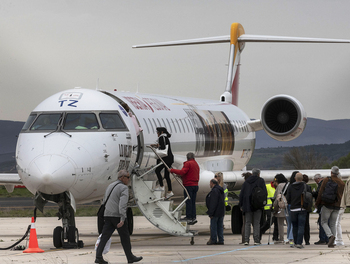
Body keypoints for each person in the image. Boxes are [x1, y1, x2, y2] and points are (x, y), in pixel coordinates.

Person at [95, 170, 142, 264]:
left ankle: (98, 256)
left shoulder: (110, 186)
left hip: (108, 214)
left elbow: (104, 200)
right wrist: (122, 218)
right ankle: (130, 257)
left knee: (105, 236)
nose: (129, 179)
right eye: (128, 177)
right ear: (122, 178)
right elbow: (122, 204)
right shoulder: (123, 188)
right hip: (117, 216)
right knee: (125, 237)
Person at [315, 166, 345, 248]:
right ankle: (333, 241)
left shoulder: (326, 180)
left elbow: (321, 192)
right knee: (333, 223)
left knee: (323, 222)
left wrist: (317, 203)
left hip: (327, 204)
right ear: (338, 173)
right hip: (337, 206)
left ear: (331, 172)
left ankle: (330, 236)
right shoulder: (342, 183)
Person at [169, 152, 200, 225]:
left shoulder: (188, 164)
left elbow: (182, 172)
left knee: (188, 202)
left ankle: (189, 217)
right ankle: (193, 217)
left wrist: (171, 170)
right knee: (192, 202)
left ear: (187, 158)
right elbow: (190, 173)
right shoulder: (196, 164)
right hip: (195, 185)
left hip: (189, 185)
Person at [239, 168, 267, 245]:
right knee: (256, 223)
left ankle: (246, 240)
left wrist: (241, 205)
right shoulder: (261, 181)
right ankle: (256, 240)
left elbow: (241, 195)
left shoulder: (246, 182)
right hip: (258, 206)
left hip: (247, 206)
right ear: (258, 174)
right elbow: (264, 193)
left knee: (247, 223)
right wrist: (263, 203)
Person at [286, 172, 307, 249]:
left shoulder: (290, 187)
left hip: (293, 209)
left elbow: (288, 199)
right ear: (302, 179)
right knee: (301, 226)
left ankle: (295, 242)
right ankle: (299, 242)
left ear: (295, 178)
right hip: (302, 208)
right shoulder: (305, 186)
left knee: (294, 226)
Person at [152, 127, 174, 199]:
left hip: (166, 159)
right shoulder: (165, 137)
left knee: (157, 170)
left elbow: (163, 147)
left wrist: (156, 146)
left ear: (161, 132)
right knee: (167, 175)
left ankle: (161, 186)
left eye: (157, 132)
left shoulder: (162, 137)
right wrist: (156, 145)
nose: (157, 133)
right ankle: (170, 191)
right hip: (169, 159)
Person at [206, 178, 225, 245]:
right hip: (221, 212)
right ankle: (221, 239)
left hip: (215, 212)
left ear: (212, 183)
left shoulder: (215, 191)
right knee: (220, 227)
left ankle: (213, 240)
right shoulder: (220, 190)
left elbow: (213, 203)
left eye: (210, 183)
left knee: (213, 226)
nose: (209, 184)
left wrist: (211, 213)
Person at [312, 174, 329, 245]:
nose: (315, 182)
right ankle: (327, 238)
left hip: (322, 206)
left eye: (315, 180)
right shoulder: (327, 183)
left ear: (318, 179)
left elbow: (318, 194)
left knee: (321, 222)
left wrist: (313, 193)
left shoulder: (321, 184)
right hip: (327, 205)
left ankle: (322, 239)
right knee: (326, 222)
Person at [272, 173, 289, 244]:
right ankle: (290, 238)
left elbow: (278, 197)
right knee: (289, 223)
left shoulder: (280, 186)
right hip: (288, 206)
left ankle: (281, 238)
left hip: (281, 206)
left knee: (280, 224)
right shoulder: (288, 184)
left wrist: (274, 205)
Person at [302, 174, 312, 245]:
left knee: (300, 224)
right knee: (306, 224)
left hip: (300, 207)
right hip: (307, 208)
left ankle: (299, 239)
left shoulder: (299, 186)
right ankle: (307, 240)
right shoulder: (309, 187)